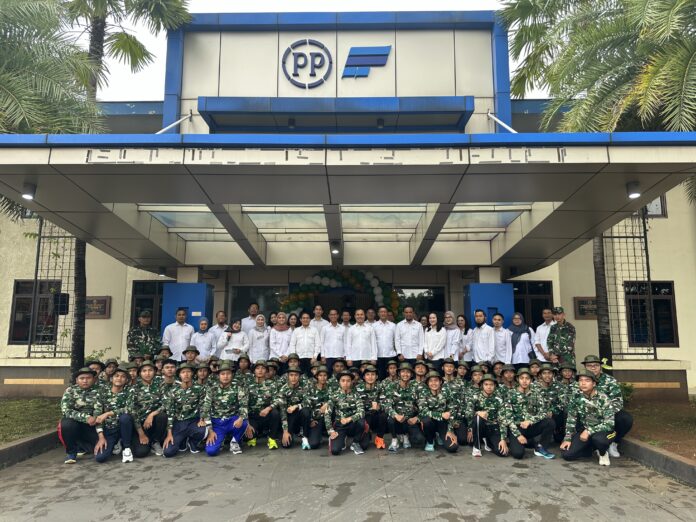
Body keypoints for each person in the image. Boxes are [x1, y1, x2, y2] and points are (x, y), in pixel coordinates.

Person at [581, 354, 633, 457]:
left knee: (625, 418)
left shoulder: (610, 380)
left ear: (600, 366)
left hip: (607, 412)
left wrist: (605, 413)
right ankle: (592, 445)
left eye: (596, 365)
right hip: (587, 414)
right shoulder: (580, 381)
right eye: (589, 365)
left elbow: (617, 401)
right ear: (585, 367)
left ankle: (614, 442)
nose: (593, 368)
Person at [561, 369, 615, 466]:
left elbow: (609, 424)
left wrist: (589, 431)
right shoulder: (576, 397)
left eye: (587, 380)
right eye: (580, 380)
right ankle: (591, 449)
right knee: (567, 455)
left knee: (599, 440)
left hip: (603, 431)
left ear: (594, 384)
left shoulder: (603, 398)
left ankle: (603, 453)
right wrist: (567, 438)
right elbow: (571, 419)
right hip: (585, 431)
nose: (583, 383)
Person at [506, 367, 556, 460]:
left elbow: (543, 412)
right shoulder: (510, 394)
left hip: (531, 426)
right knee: (518, 454)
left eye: (527, 378)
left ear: (531, 380)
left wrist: (530, 421)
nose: (524, 381)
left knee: (550, 422)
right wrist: (518, 435)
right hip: (517, 428)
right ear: (517, 379)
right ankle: (521, 442)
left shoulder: (536, 393)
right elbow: (508, 417)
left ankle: (540, 448)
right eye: (522, 378)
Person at [201, 361, 249, 456]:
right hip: (217, 422)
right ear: (218, 376)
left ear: (232, 375)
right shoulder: (212, 388)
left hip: (232, 420)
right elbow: (206, 408)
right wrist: (210, 430)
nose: (225, 376)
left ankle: (234, 442)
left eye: (228, 374)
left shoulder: (238, 387)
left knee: (244, 422)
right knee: (211, 451)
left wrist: (241, 418)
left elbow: (243, 405)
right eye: (223, 374)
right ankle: (221, 440)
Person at [162, 363, 207, 458]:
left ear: (192, 373)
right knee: (168, 452)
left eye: (188, 372)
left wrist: (202, 419)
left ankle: (193, 442)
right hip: (179, 423)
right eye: (183, 372)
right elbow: (170, 412)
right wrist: (169, 433)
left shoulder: (199, 388)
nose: (186, 374)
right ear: (179, 375)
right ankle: (183, 441)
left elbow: (203, 406)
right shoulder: (173, 391)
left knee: (203, 431)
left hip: (193, 422)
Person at [59, 367, 103, 464]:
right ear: (77, 380)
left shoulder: (99, 390)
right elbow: (66, 410)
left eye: (88, 378)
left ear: (93, 379)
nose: (85, 381)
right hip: (76, 423)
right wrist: (86, 418)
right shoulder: (70, 391)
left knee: (99, 451)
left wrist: (94, 418)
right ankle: (71, 452)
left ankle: (84, 446)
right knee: (66, 423)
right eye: (82, 378)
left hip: (94, 424)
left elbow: (99, 408)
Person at [95, 365, 134, 463]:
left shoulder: (129, 390)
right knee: (100, 458)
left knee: (125, 417)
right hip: (109, 429)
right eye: (116, 376)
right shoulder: (102, 392)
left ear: (126, 380)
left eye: (123, 376)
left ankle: (126, 448)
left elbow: (130, 408)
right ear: (111, 378)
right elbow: (97, 415)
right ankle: (117, 442)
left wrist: (108, 413)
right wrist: (101, 437)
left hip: (125, 427)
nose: (119, 378)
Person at [466, 373, 510, 458]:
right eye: (486, 384)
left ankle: (488, 442)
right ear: (482, 385)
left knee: (502, 453)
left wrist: (503, 439)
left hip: (493, 427)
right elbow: (467, 413)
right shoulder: (475, 396)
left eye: (491, 385)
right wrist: (477, 413)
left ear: (495, 386)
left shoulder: (499, 399)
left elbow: (503, 420)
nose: (489, 387)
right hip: (481, 427)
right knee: (478, 418)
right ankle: (477, 447)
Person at [325, 370, 369, 456]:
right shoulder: (334, 395)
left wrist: (349, 419)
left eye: (348, 381)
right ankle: (342, 438)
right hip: (340, 425)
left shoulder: (356, 395)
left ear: (352, 382)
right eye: (343, 380)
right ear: (339, 382)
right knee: (335, 451)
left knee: (362, 423)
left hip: (353, 424)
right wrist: (330, 430)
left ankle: (355, 442)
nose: (345, 383)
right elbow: (327, 413)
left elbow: (361, 412)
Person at [418, 370, 463, 453]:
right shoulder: (423, 393)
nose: (433, 383)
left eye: (436, 380)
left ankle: (439, 435)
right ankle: (430, 441)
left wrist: (450, 430)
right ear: (427, 383)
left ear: (440, 382)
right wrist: (440, 414)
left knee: (453, 447)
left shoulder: (447, 392)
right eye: (431, 381)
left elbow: (451, 412)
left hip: (442, 423)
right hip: (430, 423)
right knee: (426, 421)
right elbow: (423, 411)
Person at [129, 360, 167, 457]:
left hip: (155, 422)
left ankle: (155, 441)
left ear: (154, 371)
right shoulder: (135, 388)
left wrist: (152, 414)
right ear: (140, 373)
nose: (147, 373)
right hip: (140, 424)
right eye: (144, 371)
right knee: (141, 453)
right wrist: (141, 433)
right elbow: (133, 411)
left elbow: (167, 402)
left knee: (162, 416)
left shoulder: (160, 383)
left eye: (150, 370)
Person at [383, 363, 423, 452]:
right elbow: (386, 405)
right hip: (397, 418)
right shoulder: (392, 386)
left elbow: (423, 406)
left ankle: (405, 436)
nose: (405, 374)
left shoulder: (416, 387)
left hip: (410, 420)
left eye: (408, 372)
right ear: (399, 373)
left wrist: (417, 418)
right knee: (390, 419)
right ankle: (394, 439)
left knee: (419, 440)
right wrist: (395, 415)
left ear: (411, 374)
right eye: (403, 372)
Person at [246, 360, 282, 450]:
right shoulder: (248, 384)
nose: (260, 370)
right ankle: (253, 436)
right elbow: (242, 403)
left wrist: (268, 408)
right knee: (249, 436)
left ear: (266, 371)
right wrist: (246, 422)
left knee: (275, 413)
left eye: (263, 368)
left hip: (266, 415)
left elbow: (278, 399)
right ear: (254, 371)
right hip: (252, 416)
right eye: (258, 368)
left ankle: (272, 438)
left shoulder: (272, 384)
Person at [355, 365, 388, 450]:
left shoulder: (381, 387)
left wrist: (379, 406)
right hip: (364, 417)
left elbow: (385, 403)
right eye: (368, 374)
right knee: (364, 446)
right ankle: (367, 433)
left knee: (384, 415)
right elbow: (355, 405)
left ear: (376, 376)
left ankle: (379, 437)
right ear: (364, 377)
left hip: (376, 416)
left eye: (373, 374)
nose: (370, 377)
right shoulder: (358, 388)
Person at [274, 367, 306, 448]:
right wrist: (285, 431)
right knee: (287, 445)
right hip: (288, 416)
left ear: (299, 376)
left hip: (300, 413)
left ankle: (306, 436)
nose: (293, 378)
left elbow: (309, 402)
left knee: (306, 411)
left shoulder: (305, 387)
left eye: (296, 375)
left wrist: (296, 406)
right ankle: (284, 432)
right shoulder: (283, 390)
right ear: (288, 376)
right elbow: (282, 411)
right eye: (291, 375)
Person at [301, 365, 331, 450]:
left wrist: (328, 403)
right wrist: (311, 420)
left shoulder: (331, 388)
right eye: (320, 375)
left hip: (328, 418)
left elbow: (337, 398)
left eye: (325, 375)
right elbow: (306, 405)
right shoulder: (310, 388)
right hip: (316, 418)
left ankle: (332, 434)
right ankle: (314, 435)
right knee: (314, 444)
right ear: (317, 376)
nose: (323, 378)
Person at [373, 306, 396, 379]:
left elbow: (396, 340)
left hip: (390, 355)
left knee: (391, 376)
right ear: (378, 314)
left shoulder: (393, 326)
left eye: (384, 312)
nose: (383, 313)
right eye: (381, 312)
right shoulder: (374, 326)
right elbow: (372, 342)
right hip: (378, 355)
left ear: (387, 313)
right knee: (380, 376)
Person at [320, 308, 345, 374]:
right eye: (331, 314)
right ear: (329, 316)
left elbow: (345, 343)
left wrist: (345, 355)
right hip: (328, 356)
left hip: (340, 356)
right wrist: (323, 356)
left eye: (335, 314)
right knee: (328, 374)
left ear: (338, 316)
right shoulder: (324, 328)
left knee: (340, 374)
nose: (333, 316)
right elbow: (321, 343)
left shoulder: (342, 328)